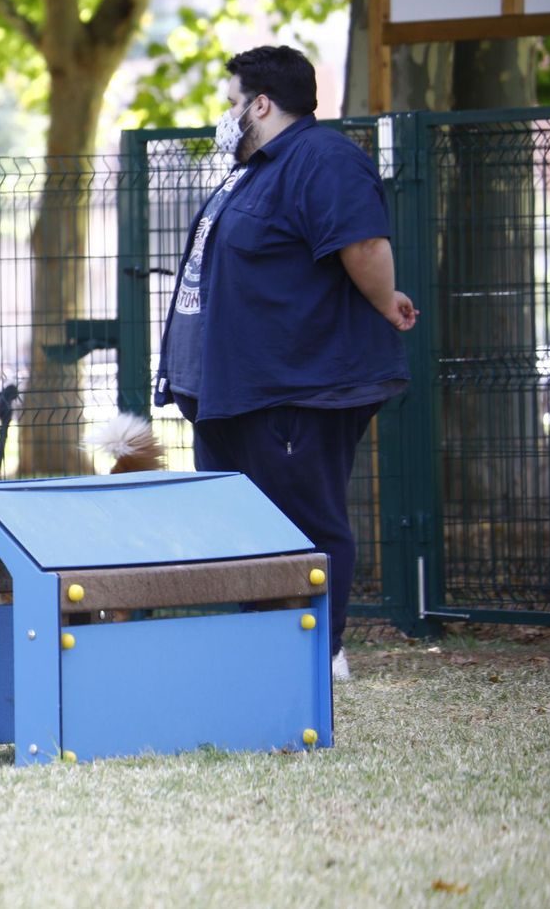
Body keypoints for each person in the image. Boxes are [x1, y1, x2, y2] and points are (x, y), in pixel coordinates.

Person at [153, 45, 418, 682]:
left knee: (305, 519)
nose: (226, 115)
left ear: (262, 104)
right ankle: (266, 646)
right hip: (234, 391)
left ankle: (319, 652)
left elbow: (363, 243)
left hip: (296, 387)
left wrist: (384, 298)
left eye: (232, 102)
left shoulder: (324, 158)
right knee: (249, 525)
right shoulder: (252, 171)